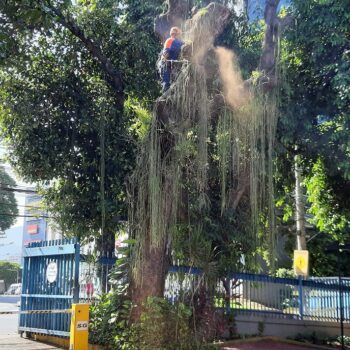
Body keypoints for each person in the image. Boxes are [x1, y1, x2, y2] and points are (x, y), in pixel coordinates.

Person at [161, 26, 184, 92]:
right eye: (176, 34)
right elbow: (166, 53)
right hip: (170, 64)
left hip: (172, 64)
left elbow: (166, 53)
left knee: (168, 83)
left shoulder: (175, 41)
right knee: (168, 82)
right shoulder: (173, 41)